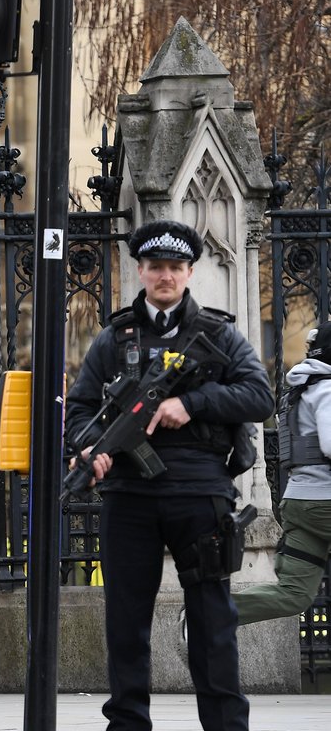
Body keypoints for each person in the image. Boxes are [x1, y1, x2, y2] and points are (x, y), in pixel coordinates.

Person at [64, 220, 273, 731]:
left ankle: (226, 725)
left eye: (175, 267)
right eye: (155, 266)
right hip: (129, 494)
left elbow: (260, 396)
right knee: (125, 621)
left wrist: (192, 403)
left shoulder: (219, 334)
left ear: (190, 272)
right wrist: (89, 447)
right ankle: (127, 723)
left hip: (200, 493)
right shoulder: (115, 338)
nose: (165, 276)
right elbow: (81, 407)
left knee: (212, 620)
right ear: (140, 271)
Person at [231, 321, 331, 625]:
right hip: (325, 503)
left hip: (299, 505)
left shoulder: (299, 391)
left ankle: (210, 612)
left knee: (294, 594)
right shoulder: (327, 389)